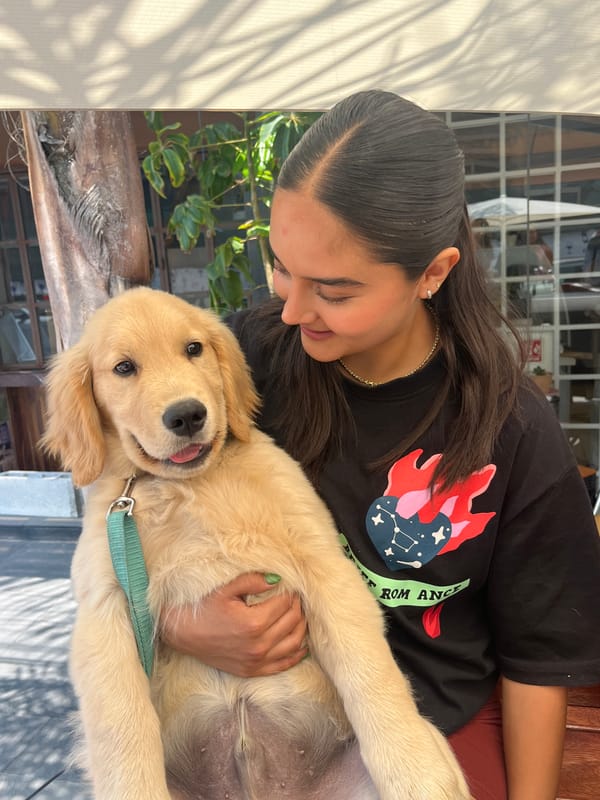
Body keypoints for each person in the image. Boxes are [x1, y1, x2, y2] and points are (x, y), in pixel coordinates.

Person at [162, 90, 600, 800]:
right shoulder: (239, 361)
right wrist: (180, 625)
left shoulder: (511, 430)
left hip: (429, 718)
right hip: (254, 707)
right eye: (281, 266)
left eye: (334, 290)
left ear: (433, 271)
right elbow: (123, 508)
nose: (294, 310)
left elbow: (540, 663)